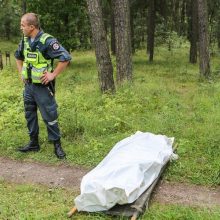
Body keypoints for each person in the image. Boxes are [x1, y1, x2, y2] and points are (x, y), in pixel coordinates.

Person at [15, 13, 71, 159]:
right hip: (28, 86)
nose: (21, 27)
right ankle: (34, 143)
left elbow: (65, 58)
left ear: (31, 27)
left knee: (50, 116)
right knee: (30, 114)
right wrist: (21, 72)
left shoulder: (47, 40)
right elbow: (18, 56)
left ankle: (57, 145)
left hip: (43, 88)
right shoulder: (25, 40)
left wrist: (53, 74)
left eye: (23, 25)